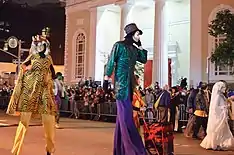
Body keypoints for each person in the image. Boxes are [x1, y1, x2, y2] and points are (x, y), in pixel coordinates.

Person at [6, 28, 57, 155]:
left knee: (49, 120)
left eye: (43, 44)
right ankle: (16, 151)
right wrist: (27, 68)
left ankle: (50, 150)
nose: (40, 46)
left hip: (44, 92)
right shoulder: (31, 57)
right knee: (24, 123)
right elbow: (22, 67)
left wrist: (50, 83)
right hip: (29, 93)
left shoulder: (48, 59)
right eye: (38, 44)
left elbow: (54, 74)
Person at [104, 23, 148, 155]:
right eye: (137, 34)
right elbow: (111, 61)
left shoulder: (134, 49)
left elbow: (144, 59)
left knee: (122, 119)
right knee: (126, 118)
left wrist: (140, 45)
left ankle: (120, 150)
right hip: (121, 86)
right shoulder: (119, 45)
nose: (139, 36)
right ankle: (132, 150)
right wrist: (106, 79)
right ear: (131, 34)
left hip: (130, 86)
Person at [200, 81, 234, 150]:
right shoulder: (218, 96)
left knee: (222, 131)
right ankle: (217, 143)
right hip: (218, 118)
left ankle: (220, 143)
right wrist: (224, 107)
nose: (224, 89)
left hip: (221, 117)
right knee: (218, 130)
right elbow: (216, 107)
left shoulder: (220, 96)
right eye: (223, 87)